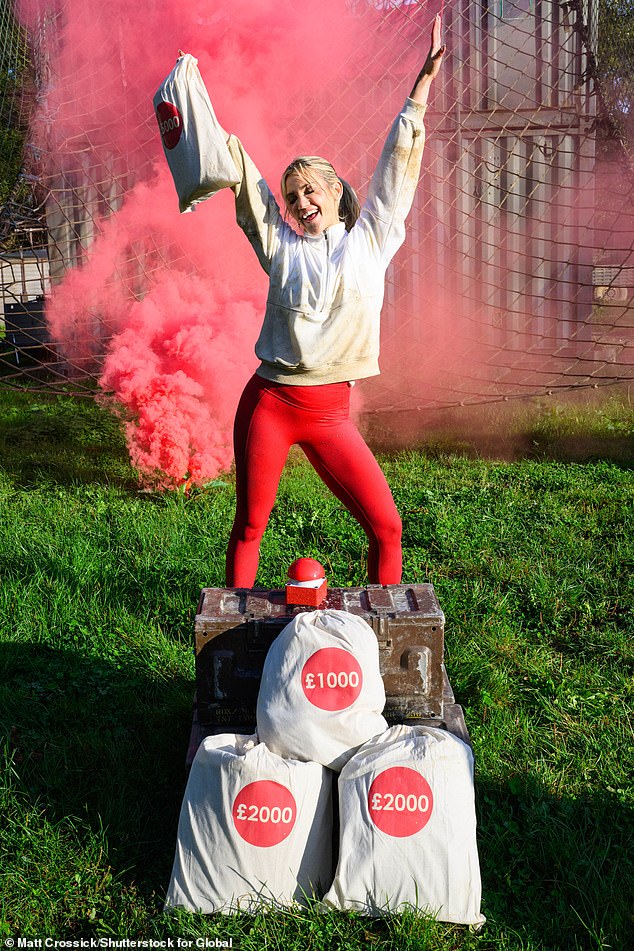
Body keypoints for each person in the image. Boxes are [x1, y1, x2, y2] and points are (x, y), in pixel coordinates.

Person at [221, 15, 445, 588]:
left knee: (387, 526)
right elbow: (248, 191)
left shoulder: (370, 239)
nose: (300, 202)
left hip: (330, 414)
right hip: (271, 402)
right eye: (293, 197)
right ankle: (227, 645)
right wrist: (211, 131)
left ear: (335, 191)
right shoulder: (281, 246)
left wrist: (420, 89)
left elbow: (396, 177)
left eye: (310, 191)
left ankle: (389, 628)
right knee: (250, 524)